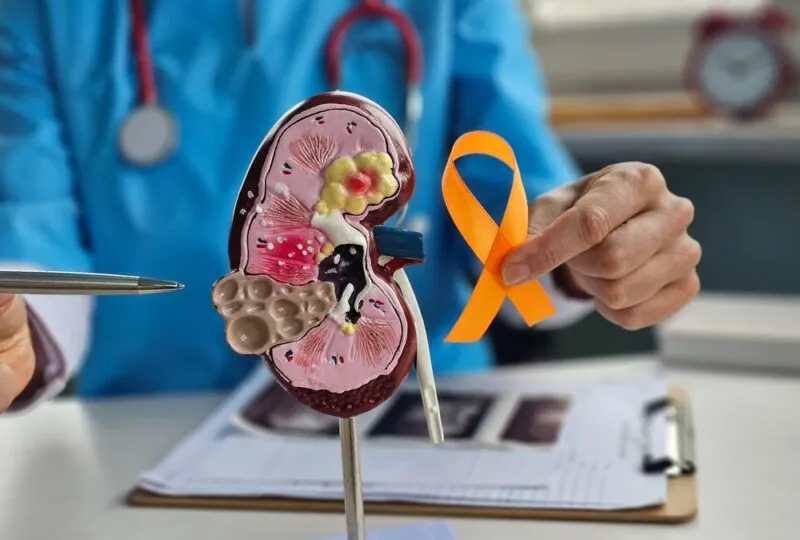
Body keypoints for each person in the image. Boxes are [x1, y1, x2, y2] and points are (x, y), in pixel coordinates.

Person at [0, 0, 700, 413]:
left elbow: (518, 223)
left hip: (415, 423)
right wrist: (14, 333)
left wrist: (587, 250)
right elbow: (32, 233)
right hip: (145, 427)